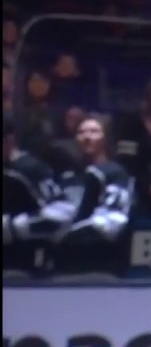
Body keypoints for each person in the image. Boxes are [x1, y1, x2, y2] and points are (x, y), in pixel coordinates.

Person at [50, 113, 133, 280]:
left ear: (106, 138)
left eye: (94, 131)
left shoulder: (116, 174)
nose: (87, 137)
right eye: (81, 132)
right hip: (64, 268)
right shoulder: (67, 178)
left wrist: (65, 234)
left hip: (101, 267)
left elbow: (110, 225)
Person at [2, 114, 75, 279]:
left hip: (21, 269)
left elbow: (63, 212)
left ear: (9, 141)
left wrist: (12, 227)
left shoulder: (30, 169)